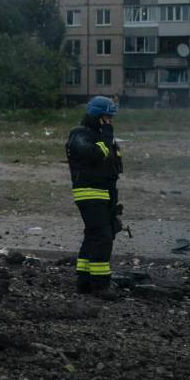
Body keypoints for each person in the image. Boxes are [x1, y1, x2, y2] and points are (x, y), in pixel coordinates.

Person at [65, 96, 123, 300]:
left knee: (94, 235)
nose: (110, 122)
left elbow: (113, 165)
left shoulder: (102, 136)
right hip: (89, 192)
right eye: (107, 117)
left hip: (106, 193)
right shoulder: (80, 134)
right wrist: (107, 138)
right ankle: (100, 285)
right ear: (98, 117)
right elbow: (95, 155)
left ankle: (85, 282)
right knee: (102, 237)